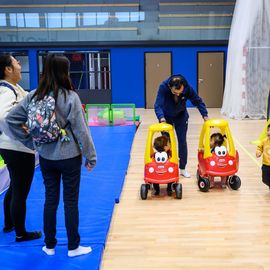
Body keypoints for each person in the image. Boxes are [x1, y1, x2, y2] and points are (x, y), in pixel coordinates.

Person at [5, 54, 97, 257]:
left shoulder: (33, 95)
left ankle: (49, 245)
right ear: (65, 72)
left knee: (50, 200)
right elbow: (82, 131)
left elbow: (10, 120)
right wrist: (91, 156)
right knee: (70, 202)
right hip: (70, 156)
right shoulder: (70, 97)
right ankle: (73, 247)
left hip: (46, 157)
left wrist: (31, 142)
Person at [0, 53, 42, 242]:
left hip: (12, 146)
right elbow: (4, 117)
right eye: (16, 62)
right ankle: (20, 232)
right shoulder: (7, 91)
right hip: (16, 147)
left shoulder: (14, 88)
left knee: (15, 185)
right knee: (20, 190)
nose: (19, 65)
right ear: (8, 69)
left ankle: (9, 224)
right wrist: (23, 134)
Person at [154, 74, 208, 178]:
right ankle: (167, 167)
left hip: (181, 116)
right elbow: (157, 105)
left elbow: (197, 100)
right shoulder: (163, 87)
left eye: (180, 92)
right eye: (175, 92)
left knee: (182, 141)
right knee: (166, 143)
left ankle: (182, 168)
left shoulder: (187, 88)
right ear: (170, 87)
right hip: (166, 117)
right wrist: (161, 118)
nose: (178, 95)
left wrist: (205, 115)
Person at [256, 124, 270, 189]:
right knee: (265, 179)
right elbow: (259, 148)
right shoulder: (264, 141)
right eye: (268, 130)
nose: (268, 132)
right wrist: (258, 152)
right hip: (265, 164)